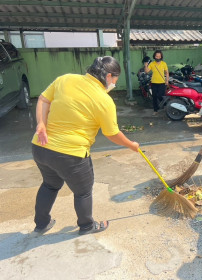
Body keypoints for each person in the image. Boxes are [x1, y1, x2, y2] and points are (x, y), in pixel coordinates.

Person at [32, 56, 140, 235]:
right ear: (108, 76)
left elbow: (43, 100)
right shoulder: (104, 100)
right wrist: (131, 145)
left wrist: (41, 123)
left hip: (41, 147)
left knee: (50, 185)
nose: (114, 84)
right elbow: (112, 133)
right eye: (115, 80)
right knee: (83, 191)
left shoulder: (65, 79)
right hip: (70, 154)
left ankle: (41, 224)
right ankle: (87, 226)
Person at [144, 50, 169, 116]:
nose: (158, 57)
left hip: (162, 83)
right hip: (154, 83)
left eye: (159, 56)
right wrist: (146, 65)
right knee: (154, 97)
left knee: (161, 96)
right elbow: (147, 72)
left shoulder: (164, 63)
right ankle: (155, 110)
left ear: (161, 56)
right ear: (154, 56)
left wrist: (167, 80)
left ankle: (165, 105)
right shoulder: (152, 64)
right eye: (156, 56)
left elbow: (167, 72)